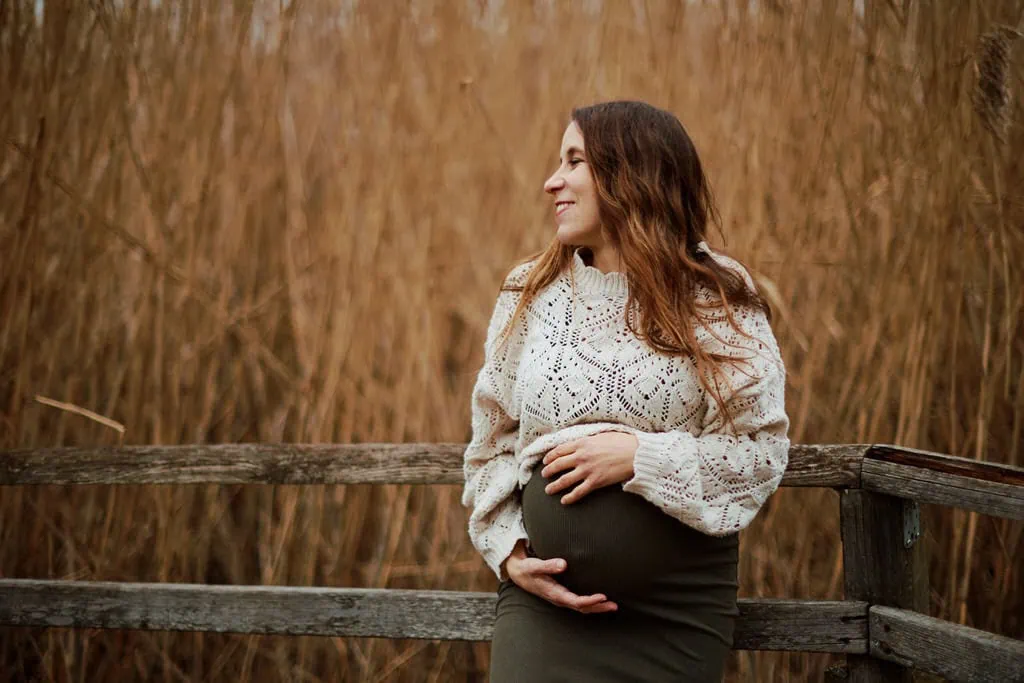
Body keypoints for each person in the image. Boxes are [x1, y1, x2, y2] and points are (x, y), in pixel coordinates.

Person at [461, 100, 790, 683]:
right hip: (546, 612)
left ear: (628, 173)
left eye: (574, 161)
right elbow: (491, 442)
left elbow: (757, 453)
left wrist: (640, 457)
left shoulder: (715, 295)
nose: (551, 181)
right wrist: (510, 556)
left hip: (676, 612)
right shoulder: (529, 292)